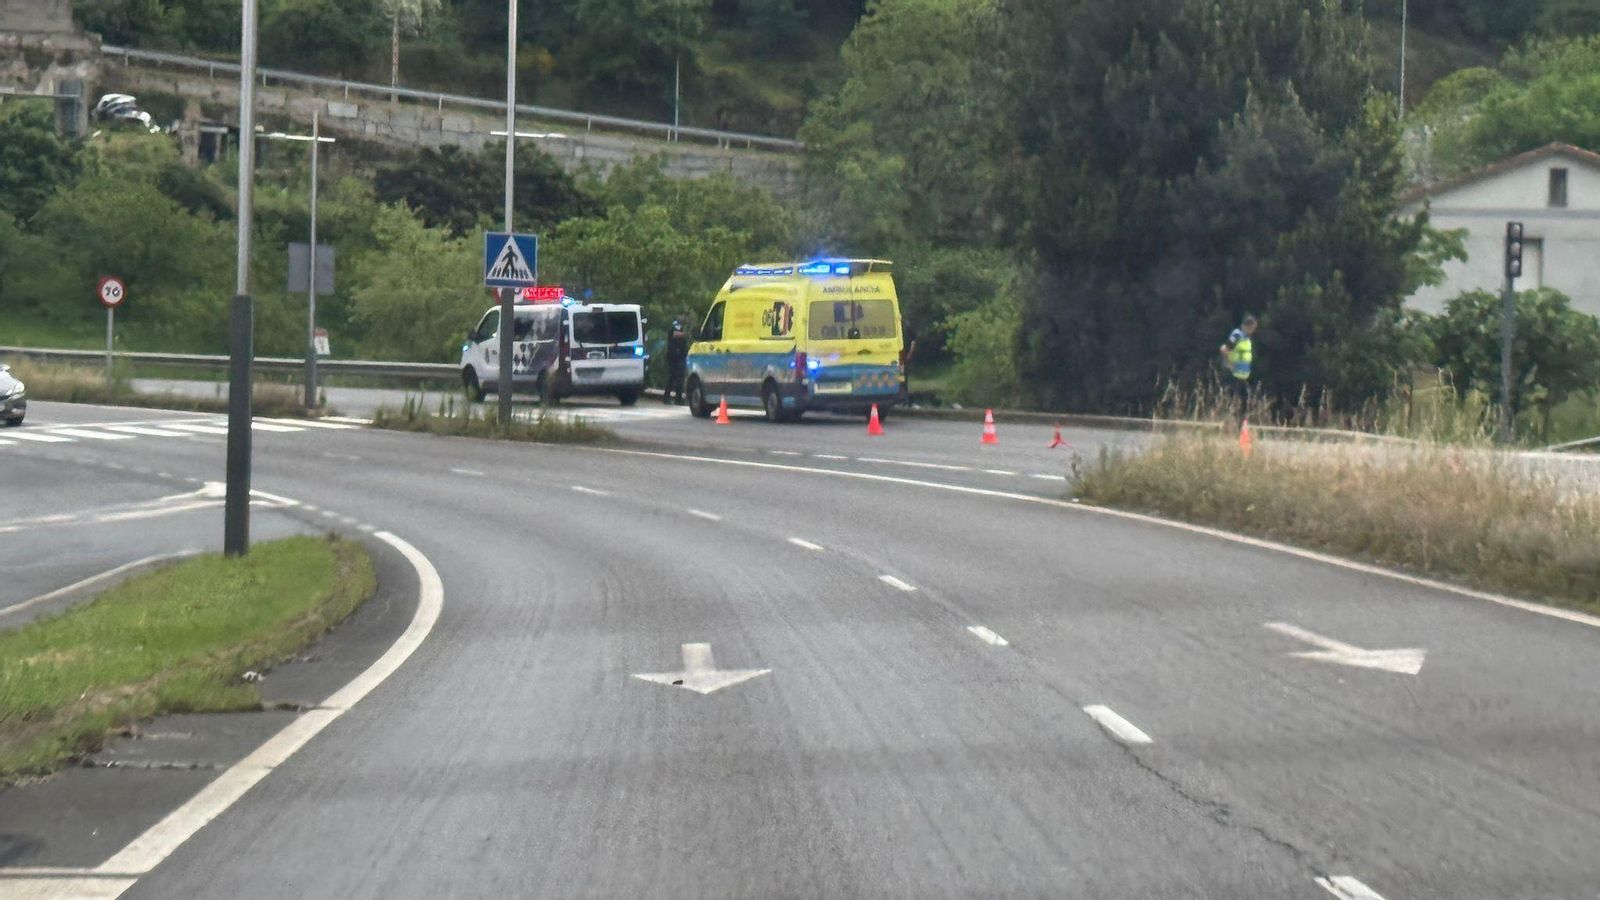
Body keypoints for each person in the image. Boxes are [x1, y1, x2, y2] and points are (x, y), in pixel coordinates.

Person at [1219, 315, 1257, 421]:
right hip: (1233, 375)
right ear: (1247, 326)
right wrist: (1229, 364)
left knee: (1244, 403)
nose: (1253, 331)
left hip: (1241, 376)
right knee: (1234, 402)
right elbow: (1224, 349)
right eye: (1252, 328)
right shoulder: (1237, 335)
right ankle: (1232, 425)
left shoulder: (1246, 338)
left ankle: (1239, 427)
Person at [664, 318, 690, 404]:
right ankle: (666, 397)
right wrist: (686, 334)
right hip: (673, 356)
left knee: (680, 378)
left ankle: (678, 398)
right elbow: (675, 334)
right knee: (671, 377)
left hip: (681, 356)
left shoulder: (682, 326)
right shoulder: (675, 325)